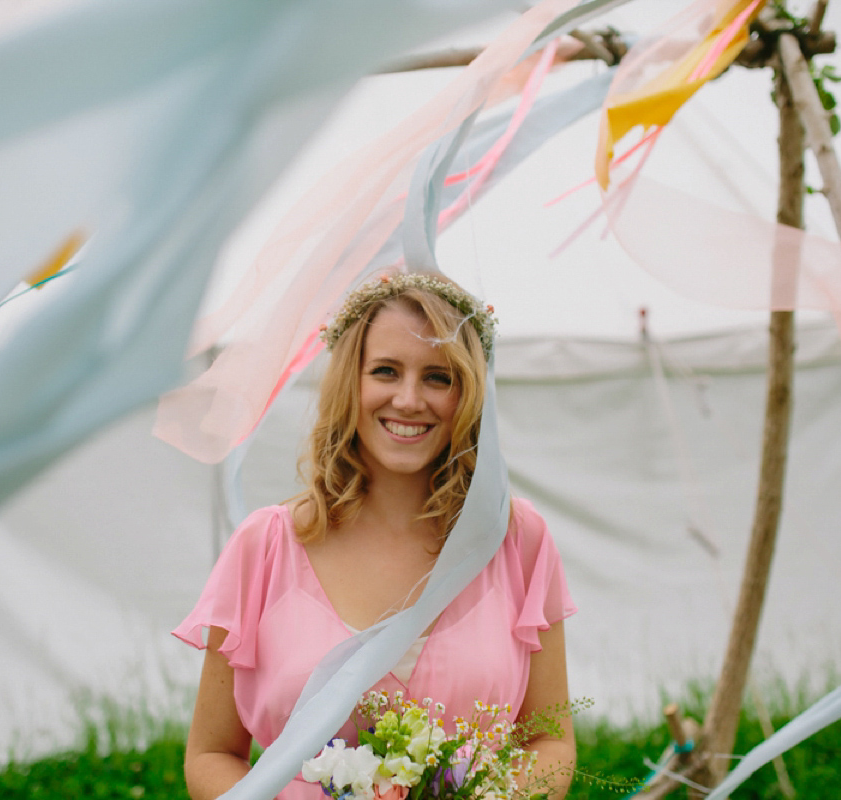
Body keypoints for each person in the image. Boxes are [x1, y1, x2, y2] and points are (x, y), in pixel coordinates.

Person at [174, 273, 577, 800]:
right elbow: (210, 755)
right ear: (350, 382)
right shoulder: (265, 547)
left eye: (438, 377)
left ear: (471, 391)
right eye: (386, 371)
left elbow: (551, 741)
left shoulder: (517, 541)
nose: (409, 400)